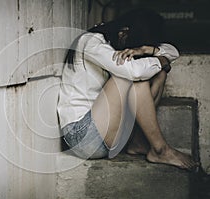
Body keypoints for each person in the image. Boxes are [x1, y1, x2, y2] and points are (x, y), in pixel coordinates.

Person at [57, 9, 198, 170]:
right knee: (130, 78)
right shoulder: (91, 42)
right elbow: (134, 72)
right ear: (124, 33)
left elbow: (173, 51)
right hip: (81, 137)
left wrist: (145, 50)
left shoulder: (116, 40)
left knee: (160, 75)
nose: (130, 52)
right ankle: (161, 149)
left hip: (108, 133)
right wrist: (161, 60)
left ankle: (137, 141)